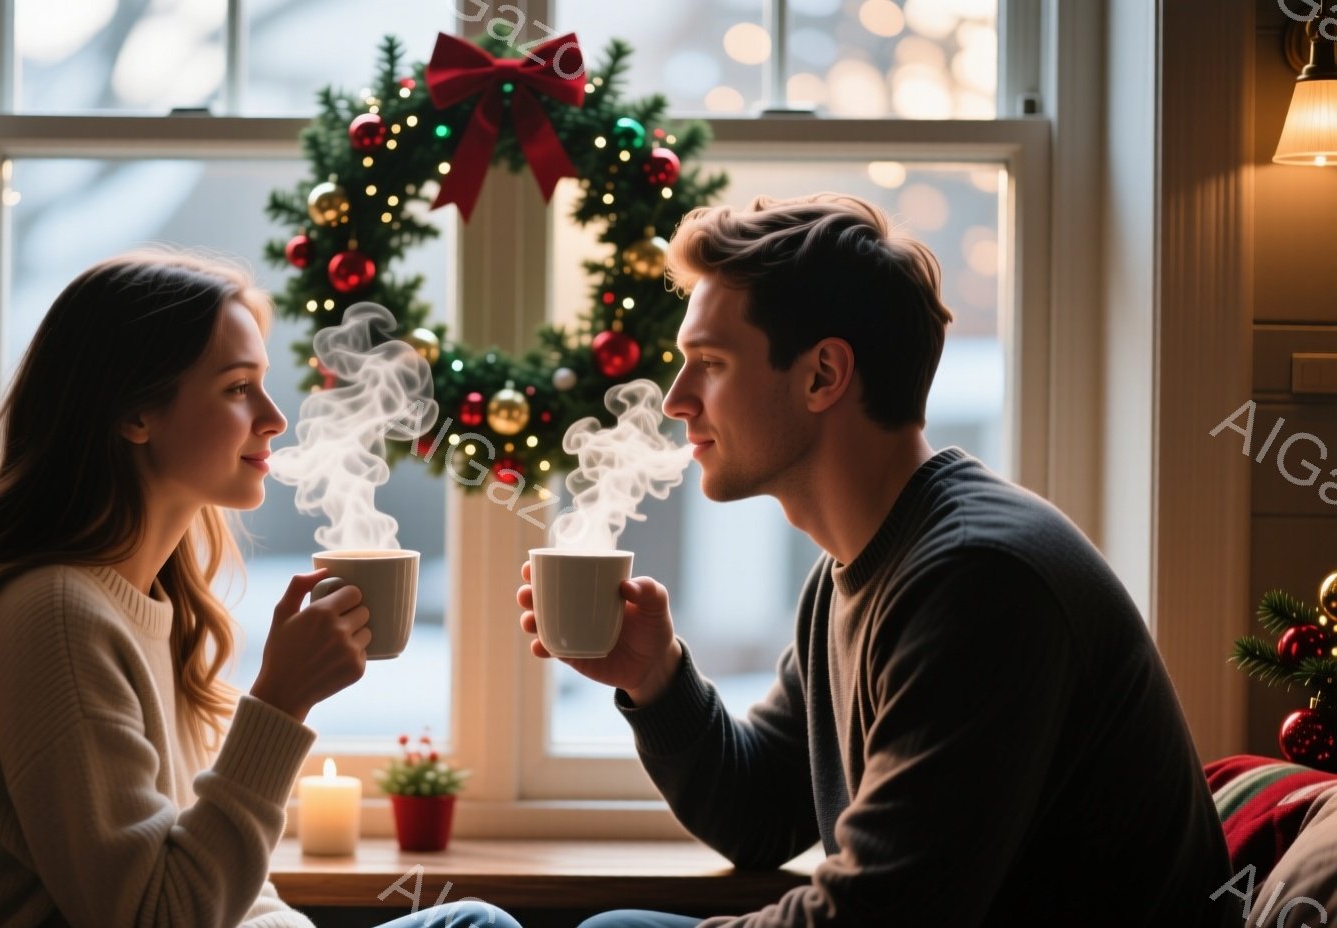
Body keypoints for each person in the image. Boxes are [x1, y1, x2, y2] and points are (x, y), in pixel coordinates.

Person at [516, 196, 1233, 926]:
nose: (676, 401)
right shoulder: (851, 573)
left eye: (710, 363)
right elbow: (760, 815)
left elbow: (882, 917)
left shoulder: (978, 581)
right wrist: (654, 676)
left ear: (823, 375)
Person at [0, 253, 515, 928]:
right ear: (135, 413)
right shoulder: (56, 617)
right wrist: (281, 703)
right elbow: (158, 916)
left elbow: (226, 888)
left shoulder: (149, 607)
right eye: (237, 388)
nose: (274, 418)